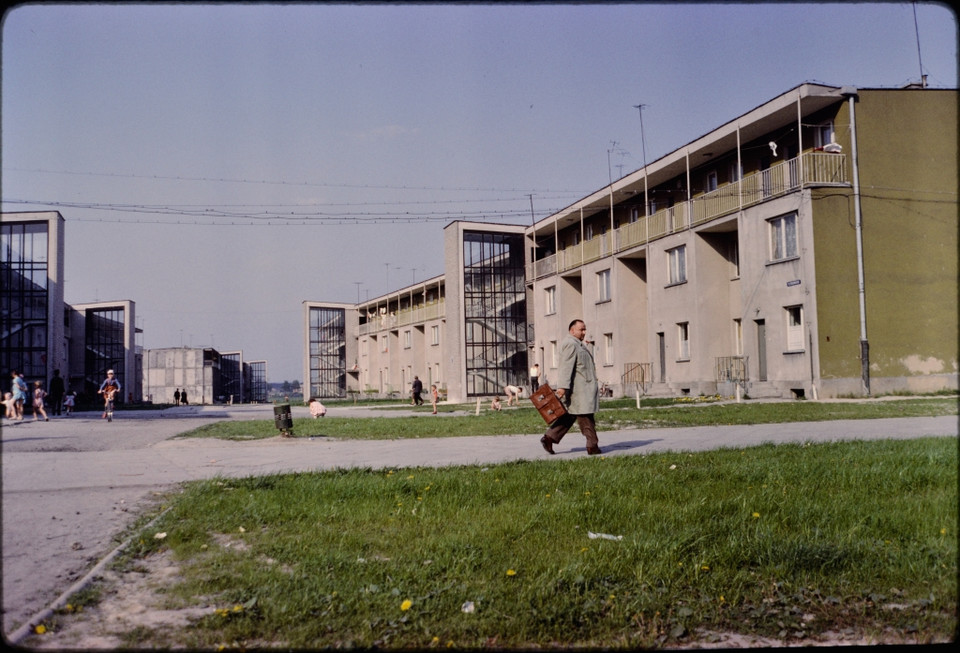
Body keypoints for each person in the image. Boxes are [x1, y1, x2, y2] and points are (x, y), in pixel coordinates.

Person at [540, 319, 602, 456]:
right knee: (585, 416)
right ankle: (592, 445)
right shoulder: (570, 344)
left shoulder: (577, 344)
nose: (584, 332)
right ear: (572, 330)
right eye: (581, 330)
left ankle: (549, 437)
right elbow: (565, 367)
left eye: (585, 329)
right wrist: (562, 388)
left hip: (582, 389)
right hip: (578, 390)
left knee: (570, 415)